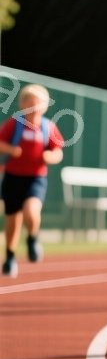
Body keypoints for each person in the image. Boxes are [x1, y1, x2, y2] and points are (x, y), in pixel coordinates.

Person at [1, 85, 64, 276]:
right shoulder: (15, 124)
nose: (34, 107)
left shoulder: (48, 127)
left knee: (31, 211)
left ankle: (32, 238)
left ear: (45, 106)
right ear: (22, 104)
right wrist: (11, 150)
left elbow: (58, 152)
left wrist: (50, 157)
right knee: (13, 221)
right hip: (13, 178)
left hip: (36, 179)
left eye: (38, 103)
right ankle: (10, 258)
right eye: (29, 103)